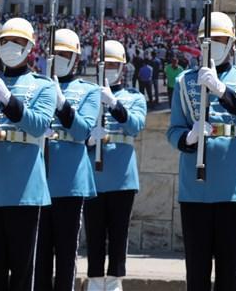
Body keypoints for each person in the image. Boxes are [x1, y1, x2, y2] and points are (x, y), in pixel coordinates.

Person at [167, 12, 236, 291]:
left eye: (221, 39)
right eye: (208, 40)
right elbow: (173, 130)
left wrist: (222, 90)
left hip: (235, 187)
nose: (215, 45)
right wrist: (189, 136)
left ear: (233, 43)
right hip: (196, 186)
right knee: (196, 273)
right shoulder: (186, 81)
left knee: (231, 272)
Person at [0, 17, 56, 291]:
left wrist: (8, 100)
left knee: (23, 271)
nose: (11, 47)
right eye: (6, 41)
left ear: (30, 47)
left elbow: (38, 125)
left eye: (18, 42)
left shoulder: (44, 86)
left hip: (25, 190)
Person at [35, 29, 99, 291]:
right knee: (38, 256)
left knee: (65, 255)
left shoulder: (89, 91)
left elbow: (83, 131)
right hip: (38, 180)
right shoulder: (38, 86)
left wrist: (62, 104)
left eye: (65, 55)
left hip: (70, 182)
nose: (59, 59)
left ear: (76, 59)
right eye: (55, 54)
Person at [84, 40, 147, 291]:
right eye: (106, 64)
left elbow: (135, 126)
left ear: (123, 67)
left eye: (114, 64)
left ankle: (114, 282)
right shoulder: (90, 96)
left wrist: (113, 104)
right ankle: (95, 281)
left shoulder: (133, 97)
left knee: (118, 234)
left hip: (122, 176)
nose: (110, 68)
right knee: (95, 233)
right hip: (93, 176)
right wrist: (88, 137)